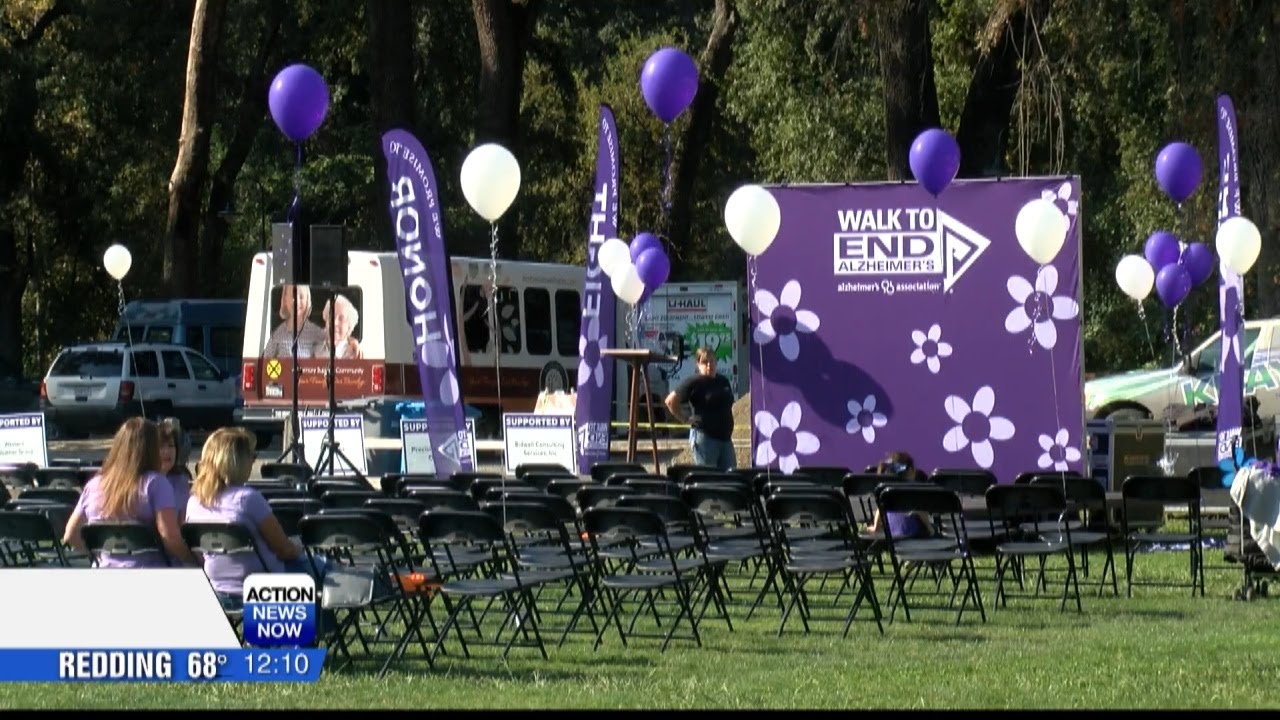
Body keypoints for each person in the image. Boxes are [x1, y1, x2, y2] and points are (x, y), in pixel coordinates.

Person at [185, 427, 316, 601]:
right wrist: (300, 549)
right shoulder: (247, 499)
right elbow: (283, 550)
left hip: (217, 586)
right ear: (237, 462)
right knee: (321, 570)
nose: (254, 462)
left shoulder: (194, 502)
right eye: (252, 457)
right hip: (265, 588)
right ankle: (323, 628)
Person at [62, 418, 197, 568]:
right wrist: (193, 560)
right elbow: (170, 537)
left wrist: (101, 554)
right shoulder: (156, 483)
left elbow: (71, 535)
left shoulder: (93, 485)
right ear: (151, 449)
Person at [664, 347, 736, 471]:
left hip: (726, 439)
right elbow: (670, 401)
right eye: (705, 362)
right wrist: (684, 419)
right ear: (698, 364)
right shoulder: (694, 382)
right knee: (708, 479)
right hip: (706, 439)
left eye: (712, 361)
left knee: (732, 477)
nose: (709, 365)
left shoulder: (723, 381)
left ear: (716, 362)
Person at [865, 451, 934, 539]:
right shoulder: (913, 491)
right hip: (913, 537)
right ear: (910, 470)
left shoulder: (886, 493)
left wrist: (875, 527)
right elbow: (921, 512)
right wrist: (929, 528)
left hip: (892, 537)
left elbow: (880, 509)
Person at [262, 283, 326, 359]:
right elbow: (266, 361)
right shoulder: (277, 334)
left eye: (301, 297)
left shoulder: (317, 333)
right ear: (285, 299)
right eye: (293, 296)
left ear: (307, 300)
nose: (297, 302)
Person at [157, 417, 193, 522]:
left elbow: (183, 521)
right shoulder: (144, 482)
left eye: (171, 446)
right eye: (161, 447)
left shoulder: (181, 481)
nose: (167, 451)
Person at [321, 293, 364, 360]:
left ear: (349, 328)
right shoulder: (315, 347)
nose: (335, 323)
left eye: (341, 319)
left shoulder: (356, 355)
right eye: (332, 316)